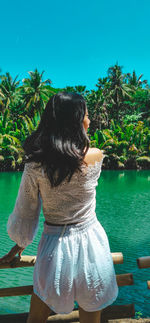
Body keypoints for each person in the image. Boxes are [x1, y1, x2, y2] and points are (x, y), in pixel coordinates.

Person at [0, 92, 118, 323]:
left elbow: (26, 212)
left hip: (55, 248)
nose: (89, 120)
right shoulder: (95, 156)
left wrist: (17, 248)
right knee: (91, 317)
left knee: (36, 318)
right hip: (92, 245)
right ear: (75, 122)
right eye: (86, 115)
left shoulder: (36, 165)